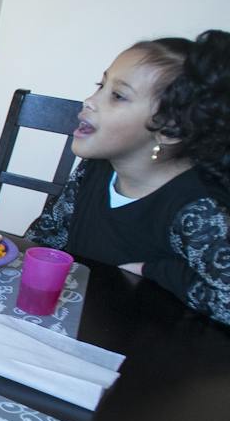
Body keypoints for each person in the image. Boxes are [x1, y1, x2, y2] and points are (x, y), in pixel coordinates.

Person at [24, 29, 230, 326]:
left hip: (149, 355)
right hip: (83, 325)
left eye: (117, 96)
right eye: (100, 85)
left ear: (170, 129)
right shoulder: (95, 168)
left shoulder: (197, 208)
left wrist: (155, 271)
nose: (90, 101)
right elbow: (47, 237)